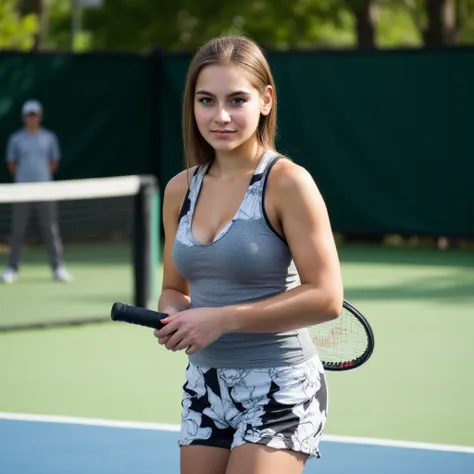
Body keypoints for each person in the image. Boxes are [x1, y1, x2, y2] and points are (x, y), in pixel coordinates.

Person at [154, 35, 343, 474]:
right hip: (206, 385)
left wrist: (220, 318)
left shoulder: (288, 183)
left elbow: (327, 297)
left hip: (281, 385)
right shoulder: (178, 190)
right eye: (206, 100)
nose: (220, 116)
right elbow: (172, 288)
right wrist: (174, 317)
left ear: (265, 100)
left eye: (236, 100)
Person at [0, 100, 72, 284]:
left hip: (46, 191)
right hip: (21, 192)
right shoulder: (16, 139)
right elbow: (12, 163)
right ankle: (11, 269)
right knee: (17, 231)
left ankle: (58, 268)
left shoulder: (49, 137)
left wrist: (41, 180)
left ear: (39, 116)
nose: (32, 118)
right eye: (29, 115)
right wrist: (25, 181)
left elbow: (54, 162)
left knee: (50, 230)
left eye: (35, 114)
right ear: (24, 117)